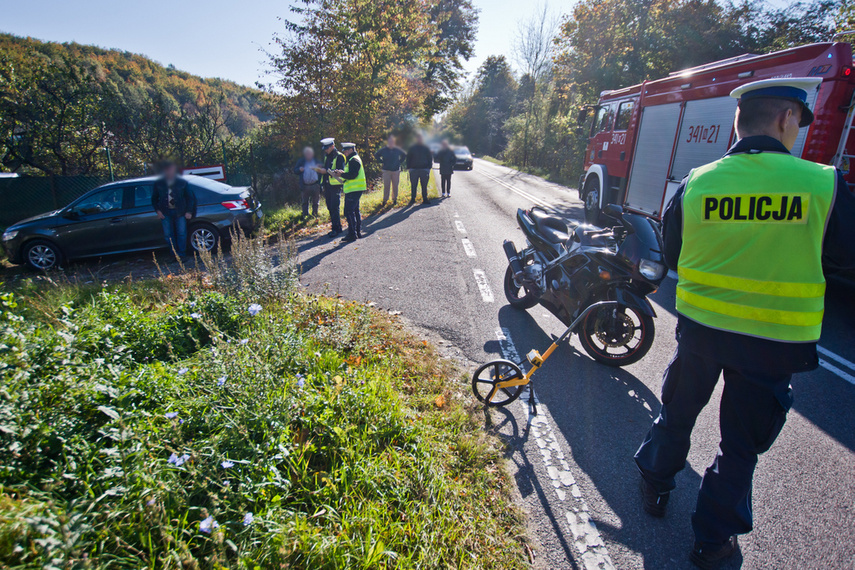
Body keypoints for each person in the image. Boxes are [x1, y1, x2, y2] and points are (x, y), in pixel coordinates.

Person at [633, 78, 855, 569]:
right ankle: (712, 543)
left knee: (678, 412)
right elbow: (847, 258)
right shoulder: (821, 184)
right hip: (771, 345)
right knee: (739, 448)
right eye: (798, 122)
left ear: (739, 122)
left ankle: (655, 483)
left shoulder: (699, 181)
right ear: (786, 119)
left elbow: (670, 252)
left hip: (701, 332)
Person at [151, 160, 196, 258]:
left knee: (181, 234)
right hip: (165, 212)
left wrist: (189, 211)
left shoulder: (182, 182)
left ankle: (182, 255)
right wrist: (158, 211)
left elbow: (190, 197)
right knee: (168, 235)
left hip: (180, 212)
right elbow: (154, 199)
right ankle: (174, 254)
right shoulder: (159, 183)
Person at [335, 142, 366, 243]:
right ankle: (357, 232)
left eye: (346, 150)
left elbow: (353, 175)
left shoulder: (354, 160)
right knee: (355, 211)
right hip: (355, 189)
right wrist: (343, 173)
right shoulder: (354, 159)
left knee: (349, 211)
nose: (344, 153)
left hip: (354, 189)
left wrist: (341, 175)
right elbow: (352, 174)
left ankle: (352, 234)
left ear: (351, 150)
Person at [315, 137, 346, 236]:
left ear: (333, 146)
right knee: (329, 207)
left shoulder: (339, 156)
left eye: (327, 148)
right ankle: (335, 227)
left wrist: (326, 171)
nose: (325, 150)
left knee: (334, 207)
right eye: (324, 148)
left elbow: (340, 171)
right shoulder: (326, 156)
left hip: (336, 185)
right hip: (327, 185)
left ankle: (337, 228)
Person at [374, 134, 406, 205]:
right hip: (386, 170)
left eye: (392, 141)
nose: (391, 142)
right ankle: (385, 200)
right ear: (388, 142)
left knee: (395, 186)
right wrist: (381, 161)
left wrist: (399, 162)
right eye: (390, 141)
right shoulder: (384, 149)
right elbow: (376, 155)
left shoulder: (397, 149)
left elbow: (404, 155)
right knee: (386, 186)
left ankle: (394, 199)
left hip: (396, 170)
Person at [293, 146, 322, 217]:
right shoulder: (301, 161)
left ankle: (314, 215)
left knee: (315, 202)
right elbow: (295, 170)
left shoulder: (316, 161)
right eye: (307, 153)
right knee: (305, 202)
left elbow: (323, 168)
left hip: (315, 184)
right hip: (305, 185)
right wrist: (299, 169)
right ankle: (305, 215)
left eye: (310, 153)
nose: (308, 155)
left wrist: (319, 167)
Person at [406, 134, 433, 205]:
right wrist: (409, 168)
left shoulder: (426, 148)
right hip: (414, 169)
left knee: (424, 185)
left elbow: (430, 158)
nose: (419, 140)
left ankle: (425, 198)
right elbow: (408, 158)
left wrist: (429, 167)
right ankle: (412, 199)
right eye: (418, 138)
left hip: (424, 169)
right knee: (413, 185)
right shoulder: (412, 148)